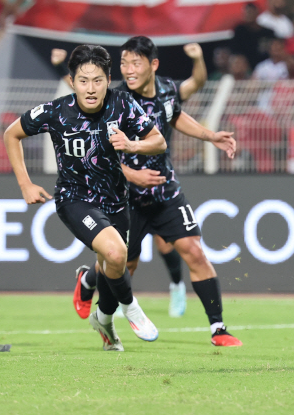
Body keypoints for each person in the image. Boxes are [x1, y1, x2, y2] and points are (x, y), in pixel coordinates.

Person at [72, 37, 242, 347]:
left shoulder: (166, 90)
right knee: (123, 265)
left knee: (194, 251)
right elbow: (95, 152)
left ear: (153, 65)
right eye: (124, 63)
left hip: (165, 191)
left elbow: (174, 115)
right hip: (125, 198)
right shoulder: (115, 99)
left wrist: (210, 136)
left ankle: (218, 328)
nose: (128, 69)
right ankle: (88, 281)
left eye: (135, 63)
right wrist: (131, 174)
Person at [4, 45, 166, 351]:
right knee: (118, 254)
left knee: (112, 264)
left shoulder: (123, 105)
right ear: (71, 81)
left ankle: (103, 320)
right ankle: (131, 308)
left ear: (108, 79)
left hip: (116, 201)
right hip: (74, 199)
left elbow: (157, 141)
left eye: (97, 81)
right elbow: (12, 134)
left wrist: (133, 146)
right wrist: (25, 184)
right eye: (83, 81)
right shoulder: (56, 112)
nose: (90, 89)